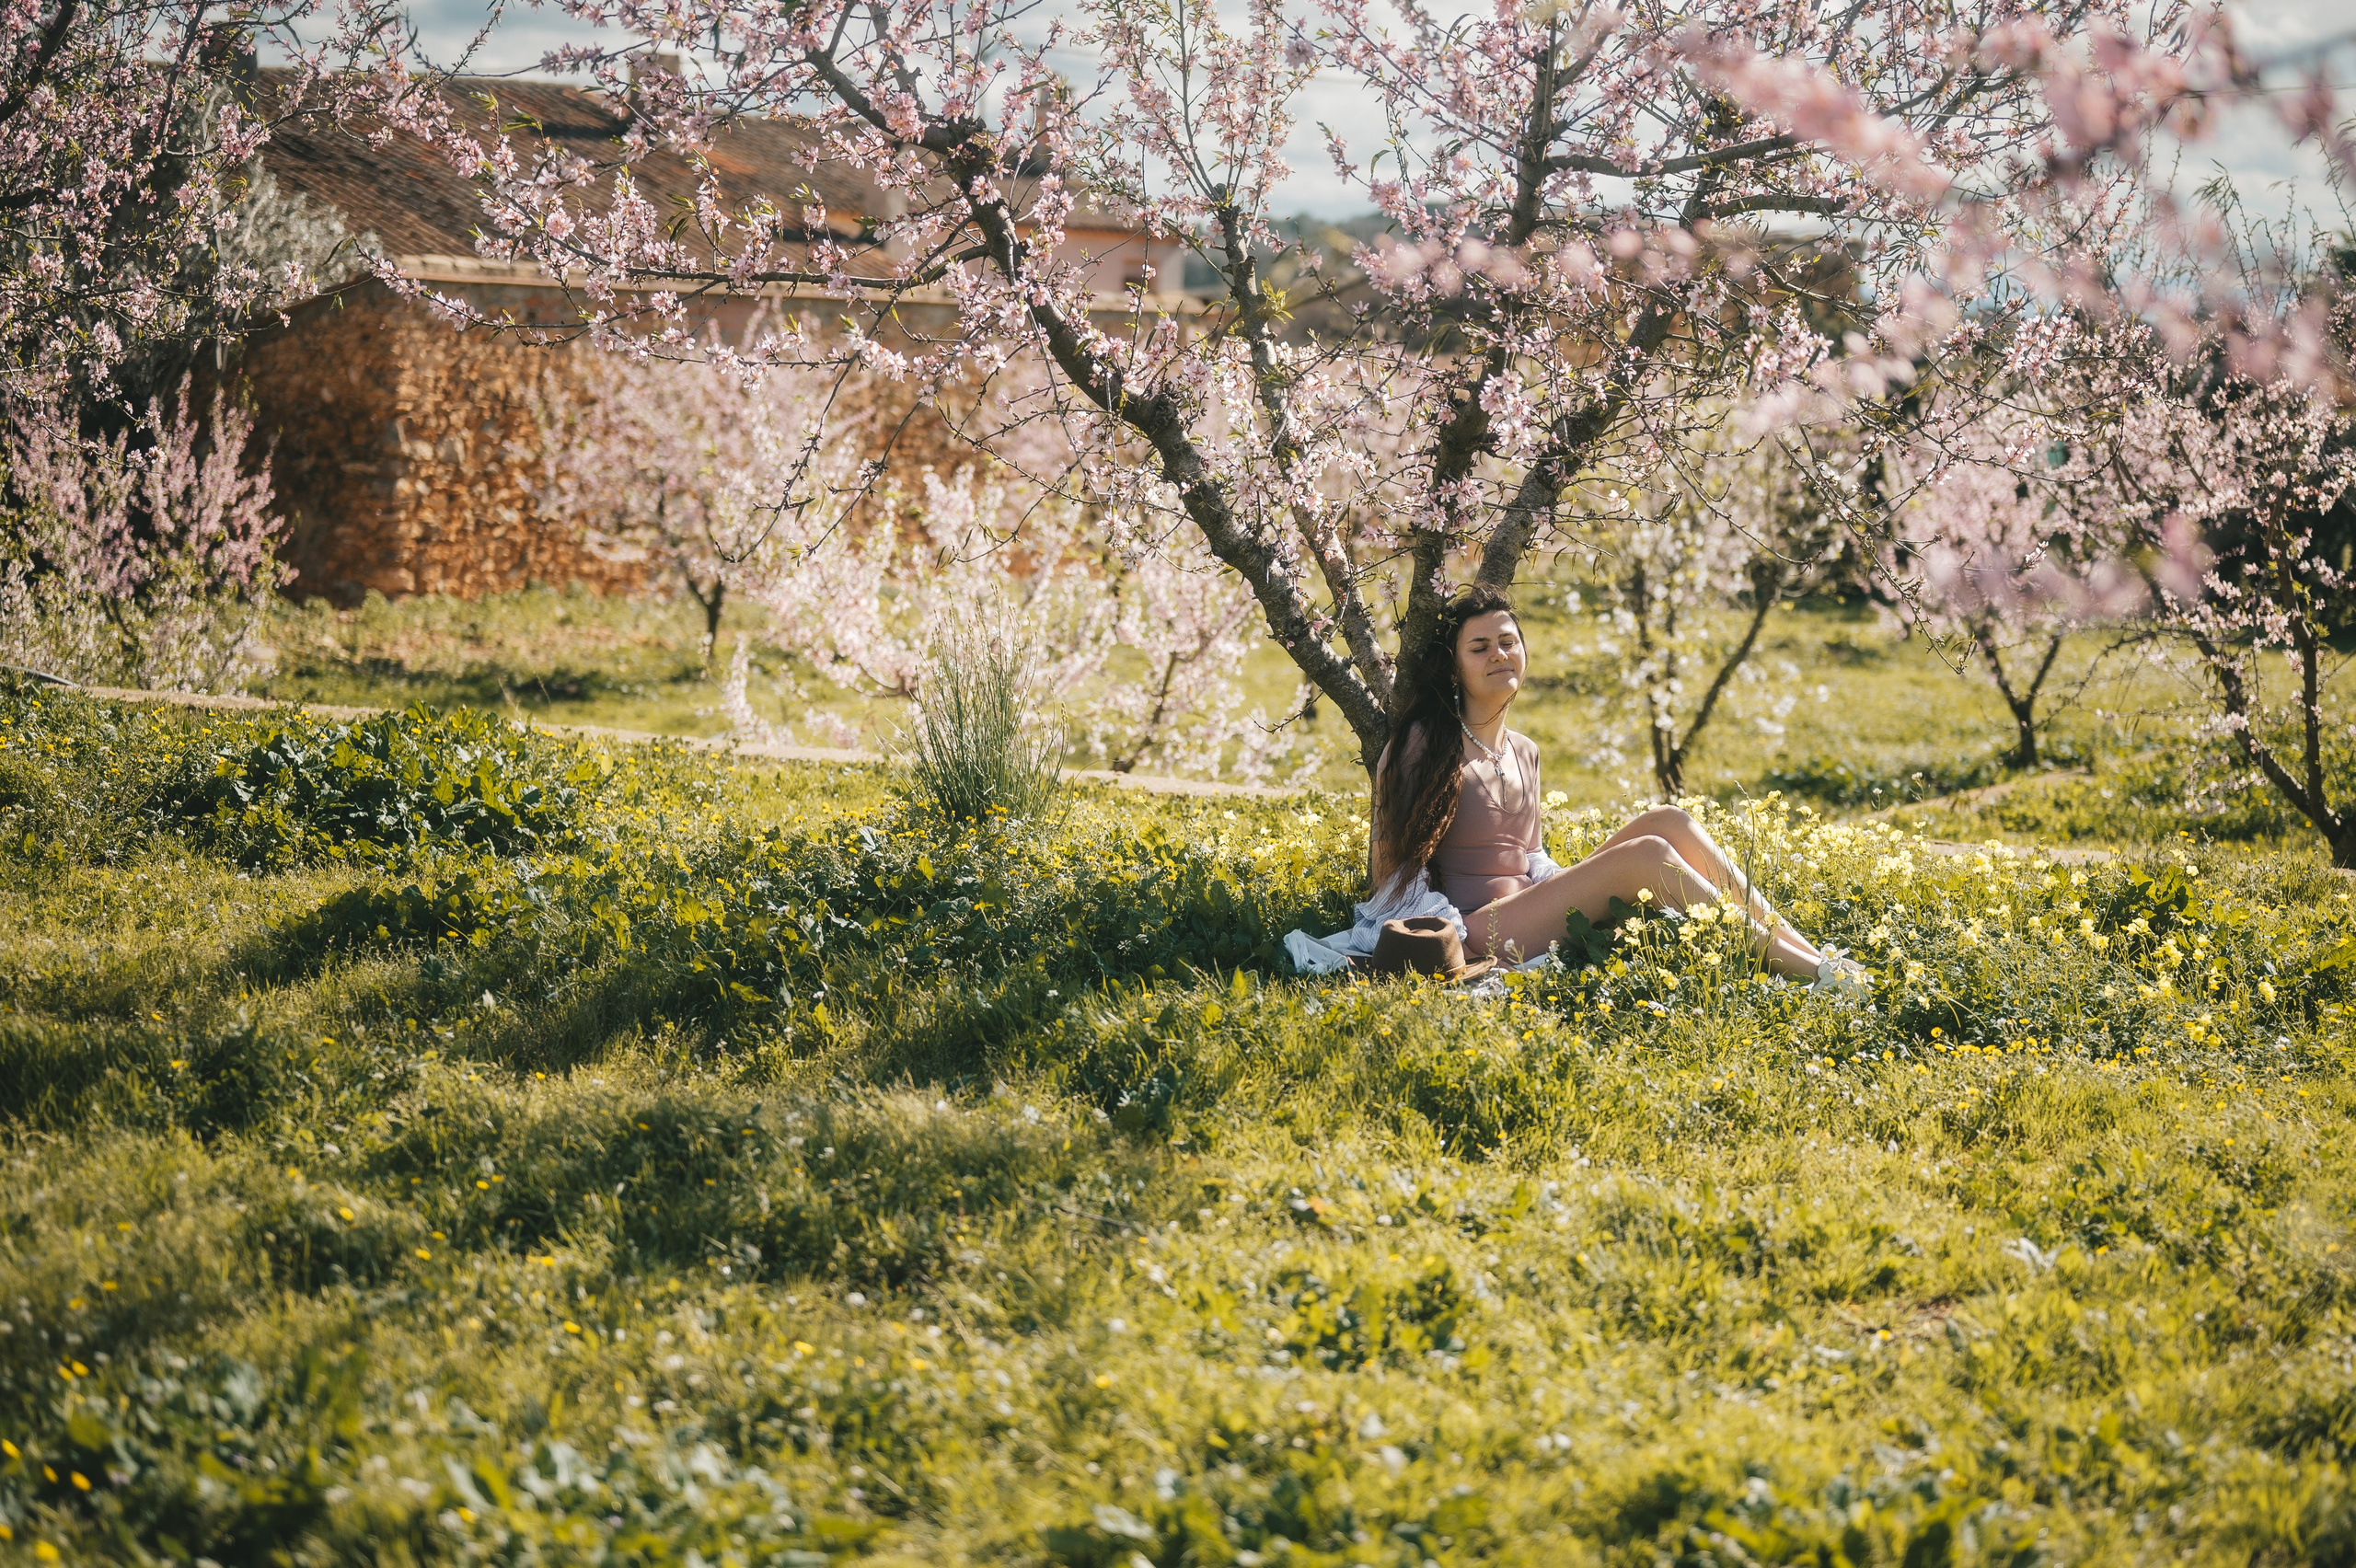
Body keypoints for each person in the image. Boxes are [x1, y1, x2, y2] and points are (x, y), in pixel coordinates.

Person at [1368, 583, 1867, 989]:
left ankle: (1807, 950)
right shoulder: (1426, 744)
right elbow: (1390, 874)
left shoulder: (1525, 750)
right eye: (1480, 648)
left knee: (1670, 821)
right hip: (1477, 929)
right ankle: (1813, 974)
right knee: (1645, 854)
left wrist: (1575, 888)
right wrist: (1450, 940)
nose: (1499, 655)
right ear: (1455, 667)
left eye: (1509, 642)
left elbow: (1533, 856)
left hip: (1527, 907)